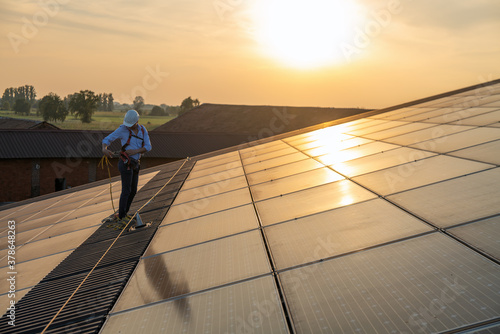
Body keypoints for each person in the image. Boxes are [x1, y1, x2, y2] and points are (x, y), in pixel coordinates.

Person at [102, 109, 152, 226]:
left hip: (135, 163)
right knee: (126, 190)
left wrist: (135, 151)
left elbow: (148, 147)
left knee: (133, 190)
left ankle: (125, 212)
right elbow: (107, 140)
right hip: (125, 163)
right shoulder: (123, 129)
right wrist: (104, 148)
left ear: (137, 121)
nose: (129, 127)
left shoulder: (143, 130)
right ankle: (122, 216)